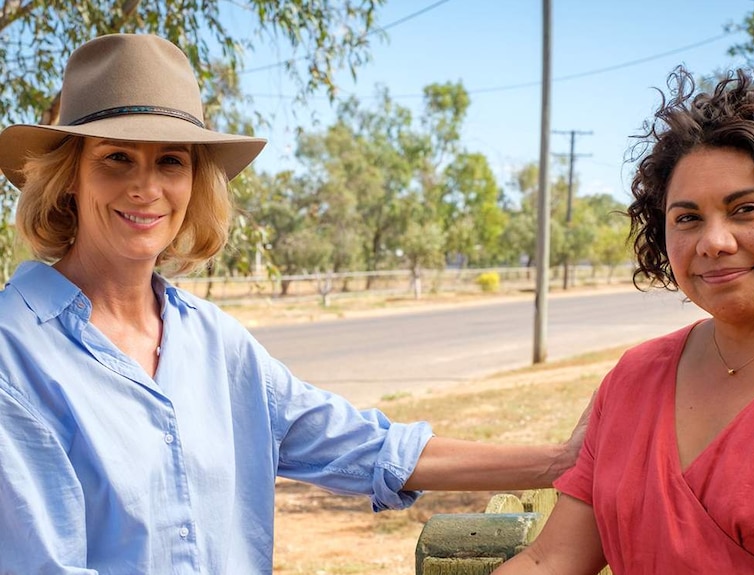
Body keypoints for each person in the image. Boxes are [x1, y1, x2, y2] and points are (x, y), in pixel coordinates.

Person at [0, 33, 586, 574]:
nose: (146, 187)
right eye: (116, 157)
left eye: (170, 160)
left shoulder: (212, 341)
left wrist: (563, 461)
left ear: (194, 182)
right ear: (68, 177)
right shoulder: (16, 355)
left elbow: (365, 447)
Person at [495, 67, 754, 574]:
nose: (713, 241)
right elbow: (552, 559)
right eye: (687, 218)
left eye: (747, 209)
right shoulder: (634, 378)